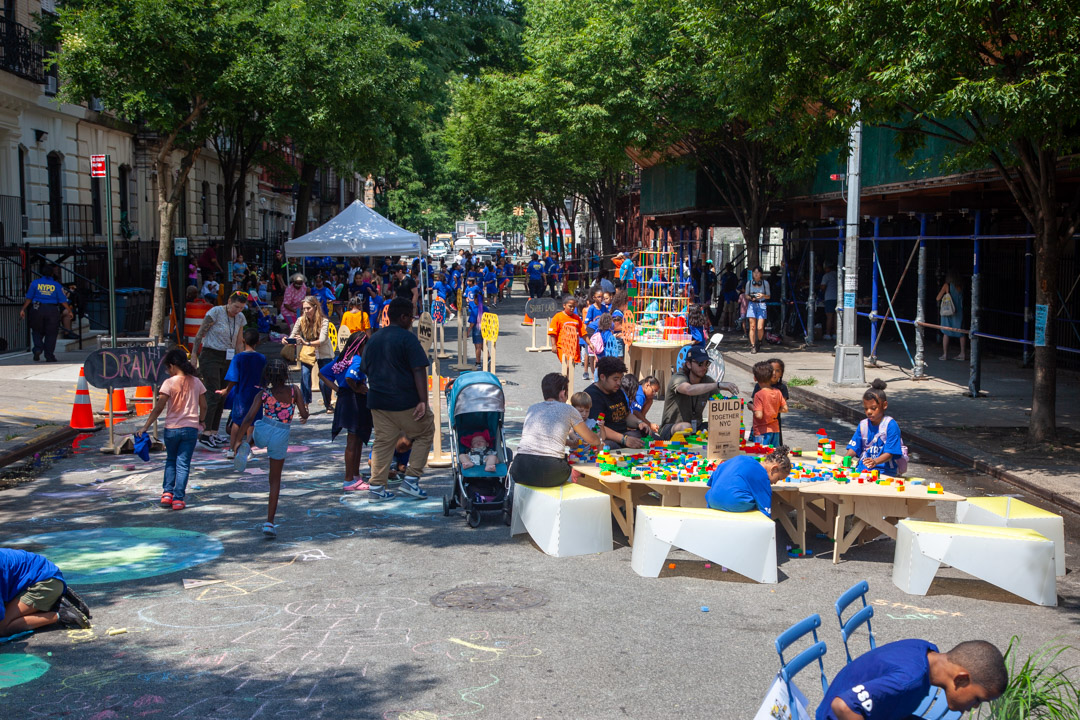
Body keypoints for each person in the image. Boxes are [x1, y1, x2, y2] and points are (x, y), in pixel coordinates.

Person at [817, 639, 1006, 720]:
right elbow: (843, 706)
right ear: (962, 679)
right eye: (978, 699)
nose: (974, 707)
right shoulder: (908, 680)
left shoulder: (925, 651)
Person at [359, 297, 434, 502]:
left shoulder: (373, 338)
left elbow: (364, 368)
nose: (412, 321)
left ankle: (376, 488)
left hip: (377, 402)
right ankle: (411, 480)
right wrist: (423, 401)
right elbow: (419, 369)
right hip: (404, 401)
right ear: (403, 317)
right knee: (426, 431)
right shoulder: (407, 338)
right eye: (410, 317)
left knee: (383, 442)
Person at [231, 359, 309, 537]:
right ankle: (269, 523)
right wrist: (305, 413)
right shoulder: (293, 391)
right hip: (281, 434)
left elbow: (249, 417)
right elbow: (304, 414)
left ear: (268, 376)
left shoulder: (263, 394)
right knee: (274, 481)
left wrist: (236, 440)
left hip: (263, 428)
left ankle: (247, 445)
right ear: (286, 375)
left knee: (257, 431)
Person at [138, 347, 206, 511]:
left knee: (171, 460)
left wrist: (145, 426)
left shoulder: (169, 383)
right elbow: (204, 406)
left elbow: (159, 407)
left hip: (172, 429)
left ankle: (167, 493)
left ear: (173, 366)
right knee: (183, 464)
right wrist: (201, 422)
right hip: (190, 429)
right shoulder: (196, 382)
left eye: (168, 368)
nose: (168, 371)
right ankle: (178, 499)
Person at [511, 373, 601, 486]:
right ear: (563, 394)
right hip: (552, 471)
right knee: (569, 464)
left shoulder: (532, 408)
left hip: (520, 469)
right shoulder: (568, 409)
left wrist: (570, 443)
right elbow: (592, 440)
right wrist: (599, 439)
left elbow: (546, 438)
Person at [319, 331, 373, 491]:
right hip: (354, 402)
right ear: (361, 345)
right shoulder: (357, 360)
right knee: (353, 440)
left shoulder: (342, 359)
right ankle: (349, 479)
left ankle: (355, 475)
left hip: (345, 399)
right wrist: (355, 388)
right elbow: (350, 377)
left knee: (356, 440)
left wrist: (338, 389)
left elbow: (322, 373)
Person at [193, 292, 247, 450]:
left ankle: (213, 431)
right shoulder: (215, 312)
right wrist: (194, 356)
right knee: (213, 392)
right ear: (229, 301)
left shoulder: (240, 318)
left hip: (228, 357)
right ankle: (205, 432)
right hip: (211, 355)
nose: (237, 310)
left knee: (223, 394)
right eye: (236, 306)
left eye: (241, 308)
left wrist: (241, 359)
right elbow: (200, 334)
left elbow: (239, 341)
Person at [0, 549, 91, 636]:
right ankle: (53, 601)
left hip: (45, 583)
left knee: (3, 627)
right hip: (41, 577)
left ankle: (61, 613)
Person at [658, 346, 740, 439]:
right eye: (700, 364)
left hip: (697, 428)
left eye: (707, 363)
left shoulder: (708, 381)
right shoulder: (678, 377)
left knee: (721, 425)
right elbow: (688, 389)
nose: (704, 367)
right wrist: (718, 385)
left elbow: (719, 403)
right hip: (672, 428)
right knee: (686, 427)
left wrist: (733, 408)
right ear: (688, 364)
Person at [216, 328, 267, 459]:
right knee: (253, 421)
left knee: (237, 422)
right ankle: (247, 449)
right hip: (257, 393)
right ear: (258, 342)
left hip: (241, 394)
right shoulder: (262, 358)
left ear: (243, 340)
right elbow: (265, 377)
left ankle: (232, 449)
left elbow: (233, 378)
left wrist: (226, 391)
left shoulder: (238, 358)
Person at [586, 357, 651, 449]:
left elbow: (626, 415)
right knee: (609, 447)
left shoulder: (617, 391)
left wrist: (639, 422)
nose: (619, 383)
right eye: (615, 379)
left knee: (653, 439)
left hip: (624, 433)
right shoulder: (592, 396)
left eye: (620, 379)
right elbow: (597, 427)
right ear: (602, 377)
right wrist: (624, 439)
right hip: (606, 438)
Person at [705, 446, 792, 515]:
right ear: (774, 469)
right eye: (778, 478)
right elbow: (765, 509)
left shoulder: (737, 458)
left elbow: (710, 482)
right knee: (755, 503)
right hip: (735, 505)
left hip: (712, 501)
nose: (775, 483)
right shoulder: (762, 475)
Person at [285, 296, 334, 414]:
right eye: (304, 309)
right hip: (307, 352)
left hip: (323, 352)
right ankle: (305, 404)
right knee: (305, 376)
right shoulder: (301, 320)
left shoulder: (324, 321)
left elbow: (322, 340)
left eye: (308, 308)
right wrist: (287, 340)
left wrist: (306, 342)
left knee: (324, 380)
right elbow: (292, 335)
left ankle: (328, 404)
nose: (306, 311)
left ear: (315, 307)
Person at [845, 379, 905, 476]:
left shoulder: (890, 425)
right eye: (865, 408)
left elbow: (890, 453)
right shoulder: (863, 425)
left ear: (884, 405)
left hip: (884, 472)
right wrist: (846, 458)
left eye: (873, 408)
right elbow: (854, 447)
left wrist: (875, 461)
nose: (869, 412)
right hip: (862, 470)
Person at [20, 267, 72, 363]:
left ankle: (38, 348)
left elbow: (29, 298)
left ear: (42, 274)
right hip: (52, 310)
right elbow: (63, 300)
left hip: (37, 309)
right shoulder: (56, 285)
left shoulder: (34, 283)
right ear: (52, 274)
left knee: (36, 330)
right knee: (51, 333)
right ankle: (49, 356)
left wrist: (23, 309)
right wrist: (69, 310)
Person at [752, 358, 790, 444]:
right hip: (774, 426)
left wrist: (754, 408)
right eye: (772, 370)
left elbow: (758, 413)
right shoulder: (777, 392)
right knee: (774, 451)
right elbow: (785, 408)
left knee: (761, 453)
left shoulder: (780, 388)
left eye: (777, 371)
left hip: (762, 428)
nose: (774, 373)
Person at [937, 271, 966, 361]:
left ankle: (945, 354)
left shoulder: (947, 285)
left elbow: (938, 298)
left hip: (948, 311)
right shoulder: (960, 287)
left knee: (946, 332)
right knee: (961, 332)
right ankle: (962, 353)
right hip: (959, 311)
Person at [547, 294, 584, 363]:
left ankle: (567, 374)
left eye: (573, 307)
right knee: (566, 366)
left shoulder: (577, 318)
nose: (572, 308)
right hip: (562, 347)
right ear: (564, 305)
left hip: (574, 348)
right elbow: (552, 333)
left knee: (571, 367)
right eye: (570, 306)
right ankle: (565, 374)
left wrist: (590, 344)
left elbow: (583, 333)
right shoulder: (558, 317)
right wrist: (553, 345)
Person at [745, 265, 770, 354]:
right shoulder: (749, 283)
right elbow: (746, 295)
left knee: (760, 327)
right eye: (754, 273)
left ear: (761, 274)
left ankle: (759, 342)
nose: (755, 274)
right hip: (752, 304)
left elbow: (768, 296)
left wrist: (762, 295)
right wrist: (750, 297)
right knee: (752, 326)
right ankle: (752, 346)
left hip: (761, 304)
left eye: (757, 273)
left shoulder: (765, 283)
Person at [820, 260, 838, 340]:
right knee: (837, 317)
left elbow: (823, 287)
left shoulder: (826, 276)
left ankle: (827, 334)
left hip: (829, 298)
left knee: (829, 316)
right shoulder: (838, 274)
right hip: (838, 298)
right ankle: (835, 334)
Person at [719, 263, 739, 332]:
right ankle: (730, 326)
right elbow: (736, 284)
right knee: (731, 313)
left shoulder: (724, 275)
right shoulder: (734, 276)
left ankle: (724, 326)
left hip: (725, 296)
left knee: (725, 312)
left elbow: (721, 283)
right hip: (732, 295)